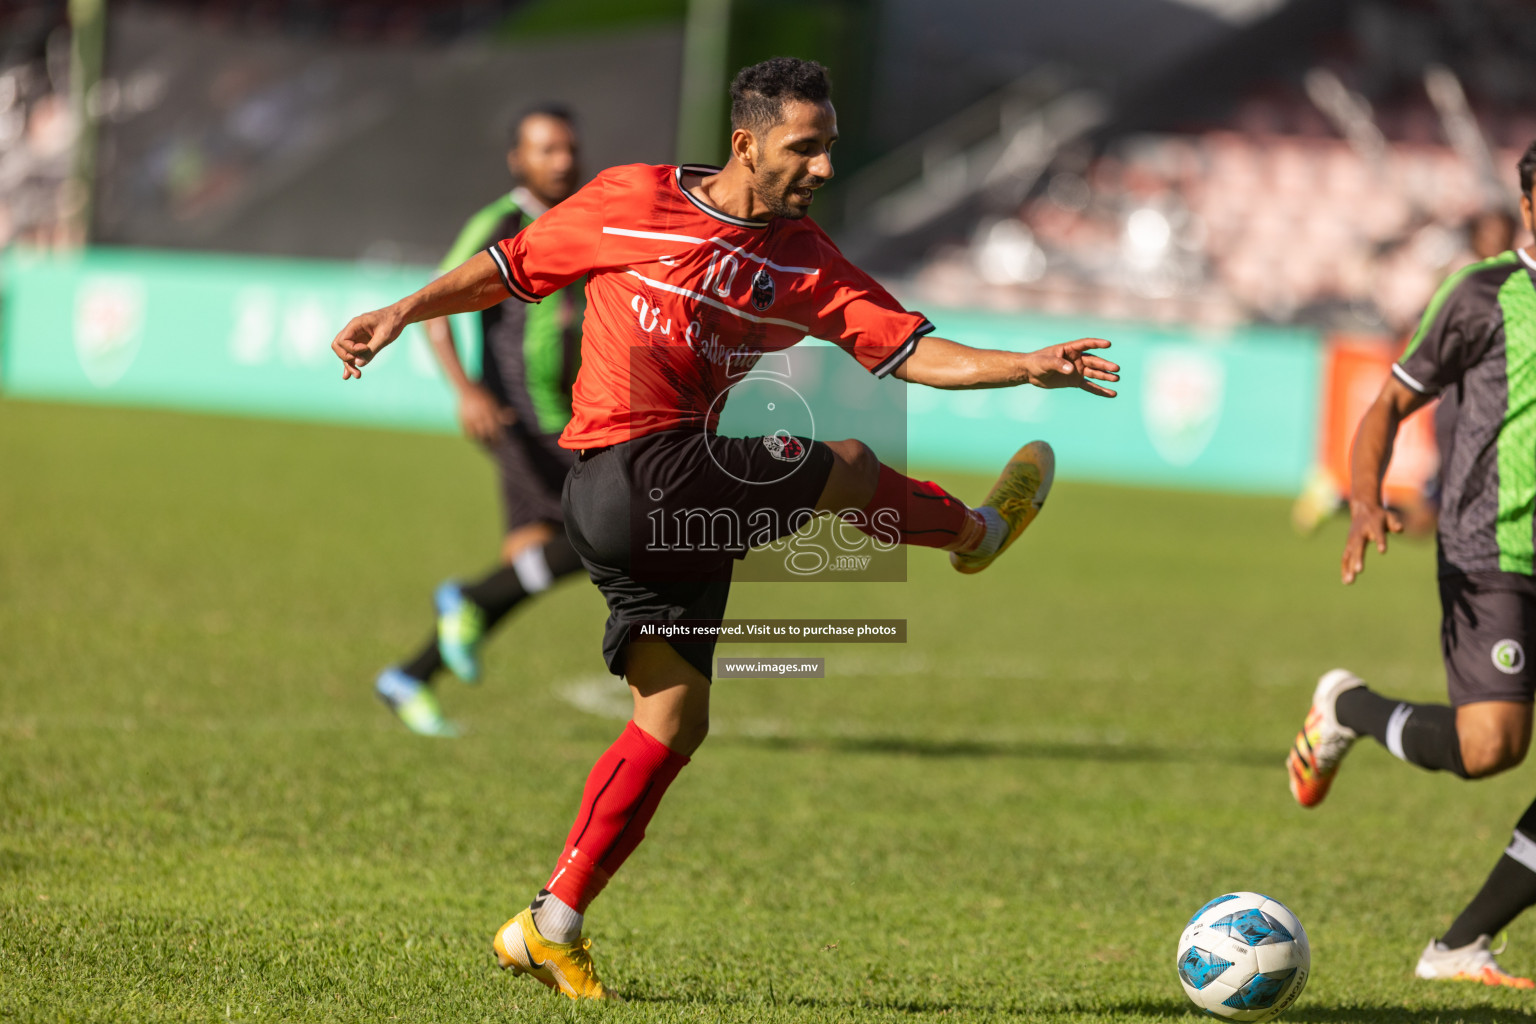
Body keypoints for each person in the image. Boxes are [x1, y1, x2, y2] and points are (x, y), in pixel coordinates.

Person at [332, 57, 1119, 1000]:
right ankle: (974, 536)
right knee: (850, 469)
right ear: (746, 142)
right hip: (629, 473)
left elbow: (908, 349)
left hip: (656, 502)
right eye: (806, 147)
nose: (824, 167)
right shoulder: (632, 198)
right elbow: (509, 268)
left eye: (830, 147)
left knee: (673, 719)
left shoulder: (805, 261)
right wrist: (403, 309)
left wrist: (1021, 364)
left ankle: (551, 924)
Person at [1286, 139, 1536, 990]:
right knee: (1491, 748)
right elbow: (1390, 401)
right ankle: (1348, 707)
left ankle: (1460, 947)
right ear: (1530, 207)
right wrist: (1363, 498)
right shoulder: (1481, 294)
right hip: (1491, 552)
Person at [373, 104, 588, 737]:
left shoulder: (579, 220)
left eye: (569, 148)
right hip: (522, 420)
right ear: (517, 159)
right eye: (546, 150)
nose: (562, 160)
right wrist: (466, 390)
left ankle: (409, 675)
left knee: (526, 564)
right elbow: (437, 302)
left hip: (568, 417)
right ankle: (462, 604)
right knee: (611, 528)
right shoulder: (502, 221)